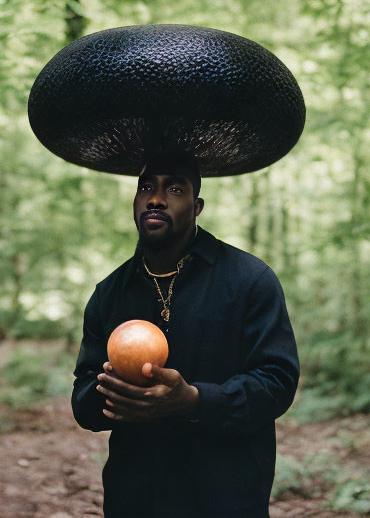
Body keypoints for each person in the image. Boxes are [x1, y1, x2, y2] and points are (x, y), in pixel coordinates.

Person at [71, 150, 300, 518]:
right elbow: (83, 397)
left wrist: (194, 400)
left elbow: (277, 383)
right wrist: (113, 398)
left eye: (175, 189)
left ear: (197, 206)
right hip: (136, 497)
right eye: (146, 187)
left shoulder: (250, 281)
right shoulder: (109, 293)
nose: (156, 198)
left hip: (226, 496)